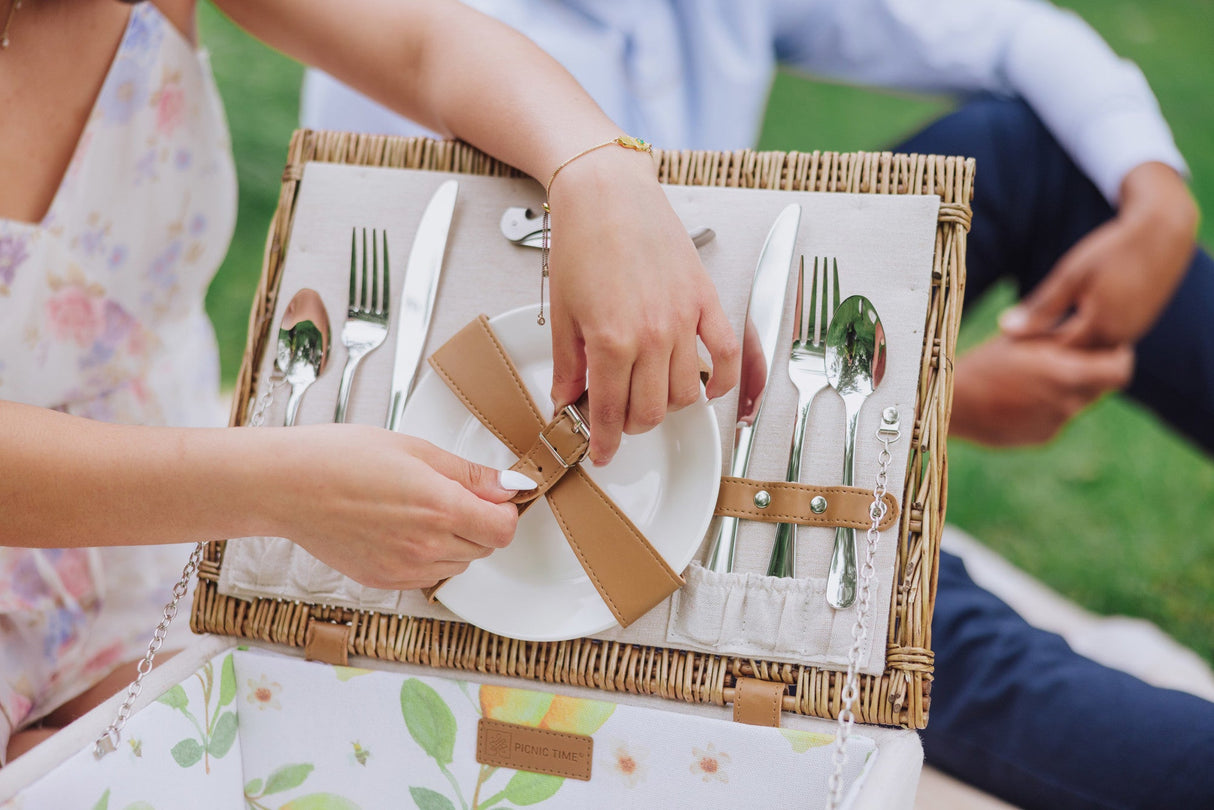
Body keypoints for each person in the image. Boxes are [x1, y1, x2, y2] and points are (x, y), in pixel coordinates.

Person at [298, 1, 1214, 808]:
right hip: (605, 502)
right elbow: (517, 379)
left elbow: (1008, 30)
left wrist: (1160, 198)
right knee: (965, 659)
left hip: (737, 363)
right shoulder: (444, 35)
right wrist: (932, 402)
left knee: (1027, 151)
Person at [0, 0, 741, 764]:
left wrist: (596, 169)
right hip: (198, 500)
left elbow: (426, 45)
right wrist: (275, 491)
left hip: (171, 549)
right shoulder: (256, 492)